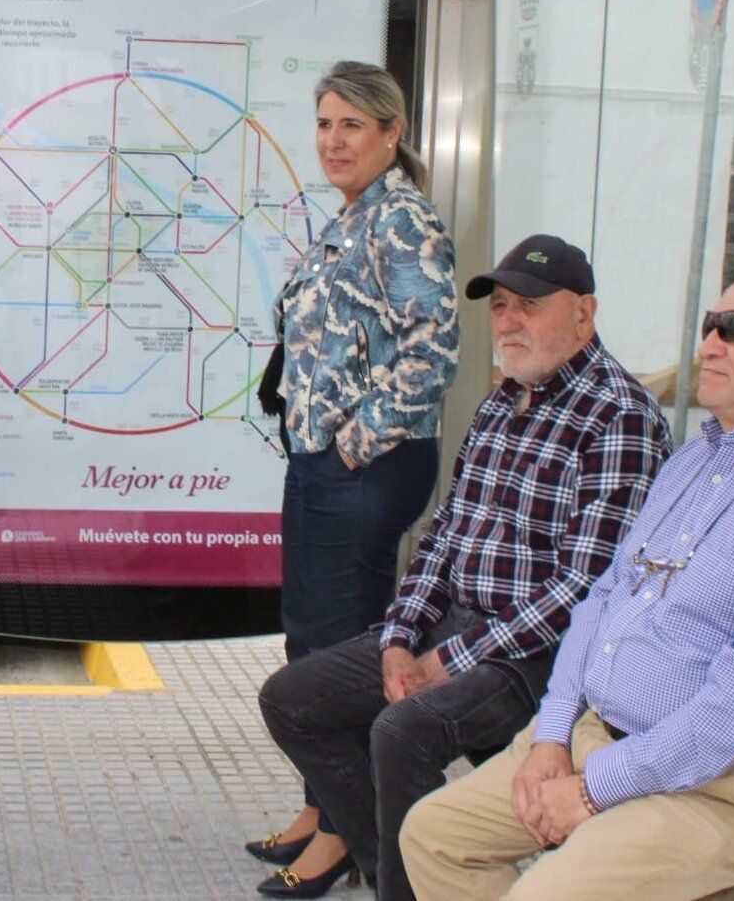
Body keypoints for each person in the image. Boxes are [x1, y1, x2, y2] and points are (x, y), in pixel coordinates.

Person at [400, 271, 734, 901]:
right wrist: (552, 734)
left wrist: (590, 789)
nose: (711, 343)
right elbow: (604, 599)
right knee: (436, 834)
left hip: (733, 789)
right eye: (712, 323)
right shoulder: (698, 457)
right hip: (598, 737)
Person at [256, 235, 670, 899]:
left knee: (403, 731)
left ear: (584, 314)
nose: (508, 321)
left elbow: (582, 588)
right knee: (293, 700)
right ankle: (397, 877)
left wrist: (447, 661)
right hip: (459, 627)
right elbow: (444, 536)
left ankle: (404, 885)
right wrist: (398, 638)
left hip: (544, 655)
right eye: (500, 305)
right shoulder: (502, 405)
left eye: (530, 306)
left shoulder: (617, 417)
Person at [249, 61, 458, 890]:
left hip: (366, 468)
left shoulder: (401, 220)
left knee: (339, 648)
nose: (334, 140)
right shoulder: (357, 214)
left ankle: (346, 834)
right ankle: (319, 809)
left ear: (392, 132)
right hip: (325, 460)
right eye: (325, 124)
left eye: (352, 126)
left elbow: (431, 352)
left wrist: (352, 443)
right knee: (312, 639)